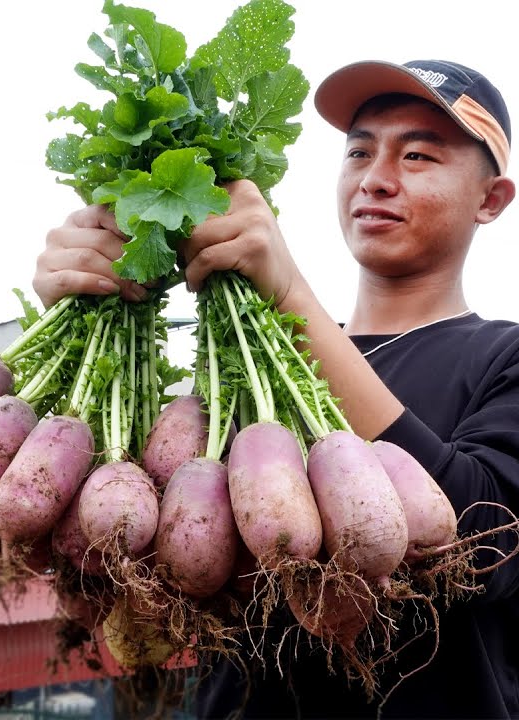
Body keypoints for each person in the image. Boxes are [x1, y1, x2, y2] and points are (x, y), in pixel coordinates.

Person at [34, 59, 519, 718]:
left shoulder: (502, 356)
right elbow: (152, 561)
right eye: (359, 152)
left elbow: (488, 543)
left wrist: (289, 294)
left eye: (418, 156)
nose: (376, 179)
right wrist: (94, 299)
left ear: (490, 199)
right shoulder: (241, 387)